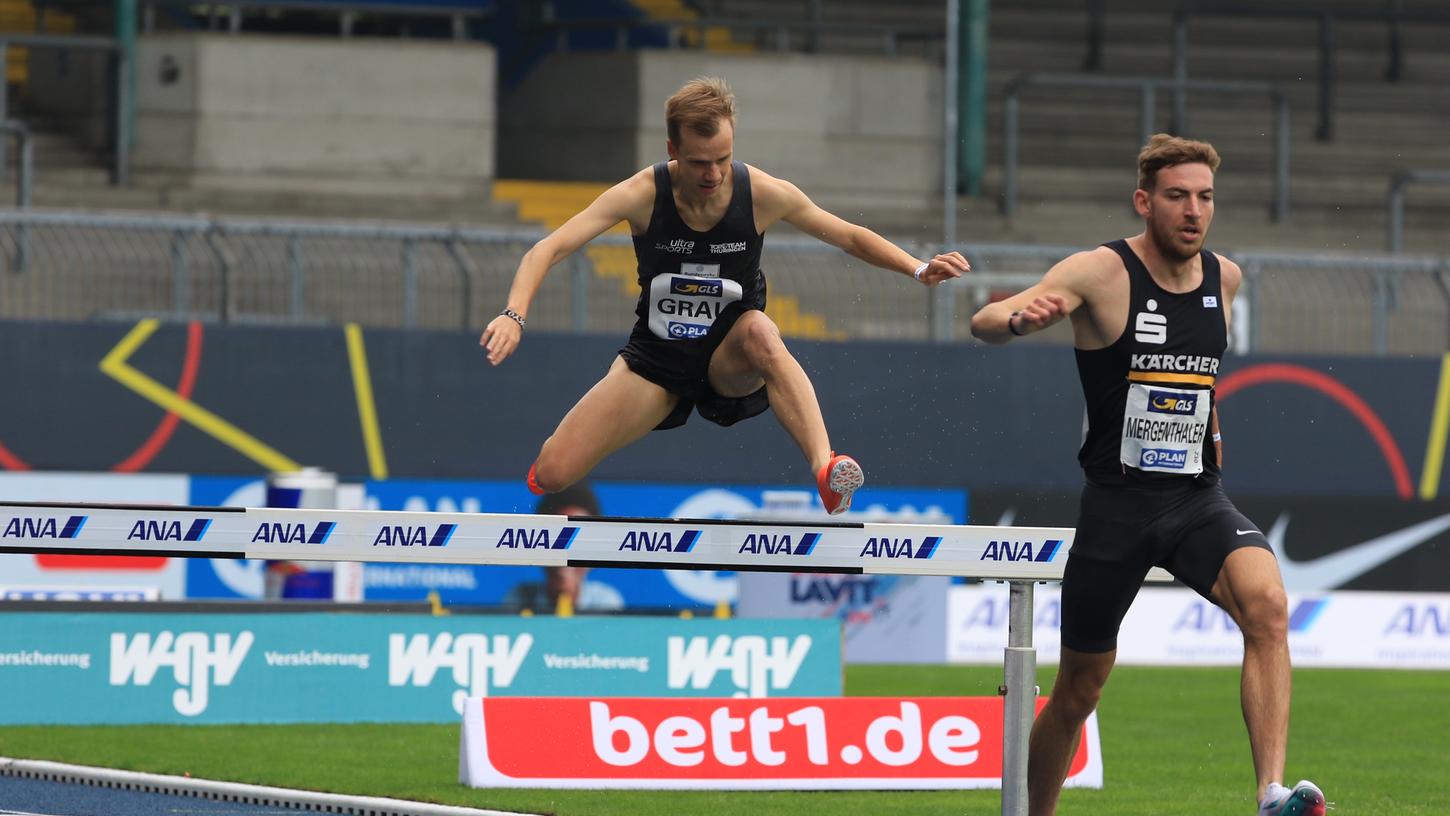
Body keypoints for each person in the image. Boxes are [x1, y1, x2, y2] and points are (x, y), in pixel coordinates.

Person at [970, 134, 1326, 816]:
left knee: (1269, 608)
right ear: (1144, 202)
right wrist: (1019, 319)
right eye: (1177, 197)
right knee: (1078, 691)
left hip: (1197, 500)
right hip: (1118, 508)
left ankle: (1270, 794)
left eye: (1205, 197)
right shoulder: (1100, 273)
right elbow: (982, 320)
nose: (1193, 211)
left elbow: (1197, 385)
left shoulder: (1226, 279)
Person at [480, 76, 969, 514]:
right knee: (553, 472)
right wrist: (513, 314)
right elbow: (547, 249)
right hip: (657, 360)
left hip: (729, 355)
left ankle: (825, 468)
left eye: (723, 160)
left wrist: (917, 267)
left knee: (761, 330)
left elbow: (848, 235)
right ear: (672, 148)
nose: (713, 174)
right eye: (698, 163)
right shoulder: (640, 194)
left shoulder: (761, 192)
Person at [506, 482, 624, 613]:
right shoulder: (519, 598)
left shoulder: (606, 602)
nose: (565, 553)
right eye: (557, 541)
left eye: (578, 541)